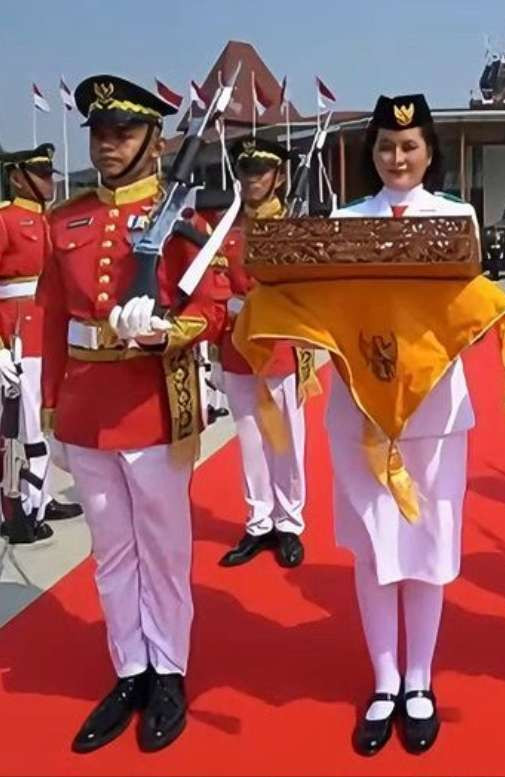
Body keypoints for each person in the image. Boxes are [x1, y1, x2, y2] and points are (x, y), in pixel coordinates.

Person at [37, 75, 227, 752]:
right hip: (89, 409)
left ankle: (170, 669)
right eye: (100, 132)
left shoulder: (181, 217)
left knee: (165, 549)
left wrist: (167, 330)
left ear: (156, 140)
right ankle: (130, 669)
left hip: (151, 405)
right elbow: (54, 317)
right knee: (111, 551)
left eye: (123, 132)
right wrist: (52, 406)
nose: (108, 144)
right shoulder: (66, 219)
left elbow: (215, 305)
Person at [328, 94, 477, 756]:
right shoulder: (341, 220)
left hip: (434, 410)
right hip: (360, 409)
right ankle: (383, 680)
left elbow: (471, 307)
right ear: (372, 153)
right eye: (386, 146)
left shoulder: (457, 218)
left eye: (409, 146)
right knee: (372, 548)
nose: (396, 157)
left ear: (430, 153)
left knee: (425, 546)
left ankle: (420, 679)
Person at [217, 136, 309, 569]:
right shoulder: (226, 230)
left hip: (278, 346)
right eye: (245, 170)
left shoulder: (295, 228)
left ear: (279, 176)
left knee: (285, 439)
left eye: (260, 171)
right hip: (237, 346)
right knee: (250, 440)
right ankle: (258, 522)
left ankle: (289, 522)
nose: (251, 179)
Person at [0, 144, 83, 544]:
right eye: (42, 173)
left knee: (46, 421)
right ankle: (20, 508)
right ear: (18, 177)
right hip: (17, 332)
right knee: (23, 427)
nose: (51, 180)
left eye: (51, 173)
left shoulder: (54, 221)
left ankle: (42, 496)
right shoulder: (5, 220)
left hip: (49, 332)